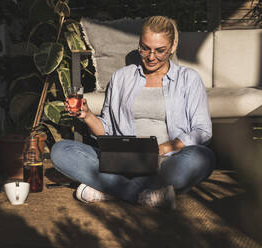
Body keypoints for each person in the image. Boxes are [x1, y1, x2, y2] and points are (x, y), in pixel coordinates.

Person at [51, 16, 215, 209]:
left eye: (160, 50)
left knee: (202, 157)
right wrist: (87, 115)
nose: (151, 57)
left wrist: (160, 149)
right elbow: (107, 130)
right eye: (145, 48)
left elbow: (203, 131)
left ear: (173, 46)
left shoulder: (189, 79)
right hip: (123, 161)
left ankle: (111, 190)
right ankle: (146, 194)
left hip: (166, 161)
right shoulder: (122, 78)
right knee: (61, 151)